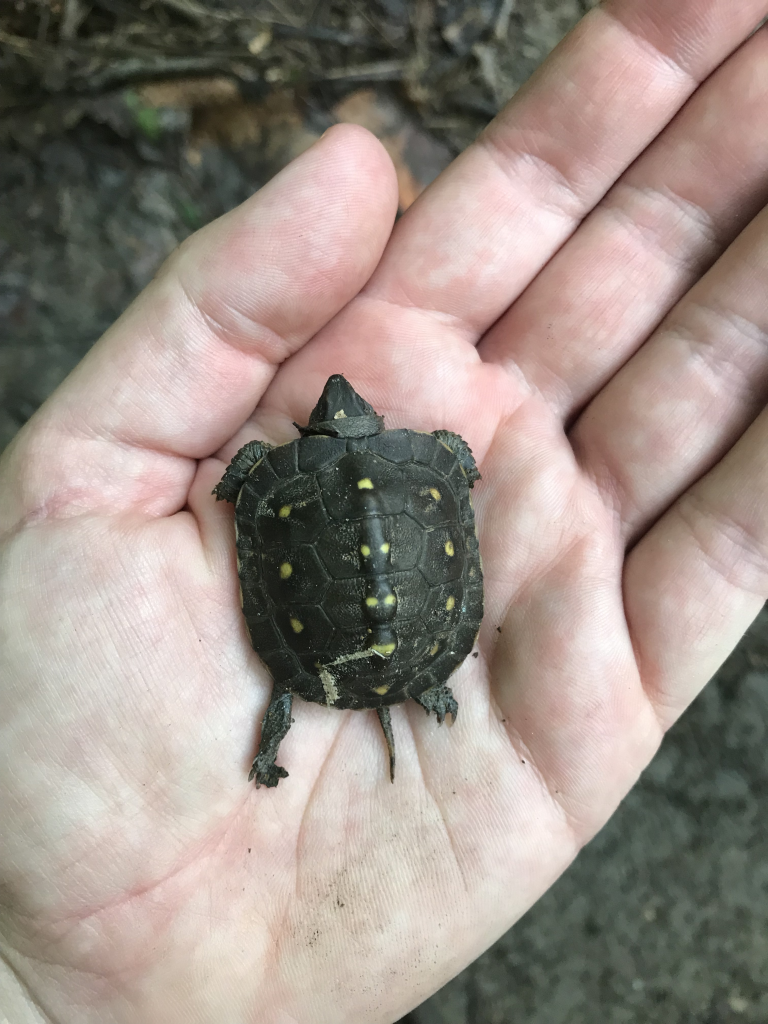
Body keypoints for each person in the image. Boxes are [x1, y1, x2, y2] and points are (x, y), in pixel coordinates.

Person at [2, 0, 768, 1020]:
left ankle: (297, 723)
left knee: (294, 662)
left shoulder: (278, 475)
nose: (338, 410)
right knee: (340, 642)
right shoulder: (424, 459)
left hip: (337, 646)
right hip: (426, 643)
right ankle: (426, 693)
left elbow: (247, 489)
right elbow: (456, 463)